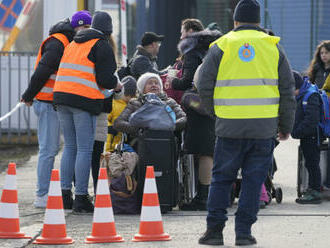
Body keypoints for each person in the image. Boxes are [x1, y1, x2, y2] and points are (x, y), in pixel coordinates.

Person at [197, 0, 296, 246]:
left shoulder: (221, 45)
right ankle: (243, 233)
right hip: (263, 128)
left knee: (221, 179)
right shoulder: (274, 47)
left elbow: (203, 84)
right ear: (258, 21)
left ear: (236, 21)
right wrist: (285, 126)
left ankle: (214, 232)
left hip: (229, 125)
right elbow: (287, 89)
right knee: (254, 180)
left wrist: (216, 113)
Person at [20, 11, 92, 208]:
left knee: (64, 148)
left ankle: (59, 193)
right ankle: (42, 195)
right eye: (84, 28)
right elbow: (43, 70)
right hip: (47, 101)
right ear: (76, 26)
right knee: (49, 150)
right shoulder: (59, 42)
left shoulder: (66, 41)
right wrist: (28, 95)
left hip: (58, 102)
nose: (86, 32)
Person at [53, 11, 120, 213]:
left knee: (70, 147)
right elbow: (105, 80)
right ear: (108, 31)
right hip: (82, 100)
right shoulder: (102, 45)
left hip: (61, 97)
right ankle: (81, 197)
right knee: (84, 149)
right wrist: (117, 86)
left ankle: (64, 195)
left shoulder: (74, 43)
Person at [167, 18, 221, 211]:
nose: (181, 36)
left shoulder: (191, 52)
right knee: (208, 150)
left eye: (182, 32)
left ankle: (200, 197)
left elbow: (188, 80)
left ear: (190, 31)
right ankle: (206, 194)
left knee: (200, 151)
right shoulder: (212, 49)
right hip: (215, 104)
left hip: (198, 106)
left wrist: (173, 82)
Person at [113, 72, 186, 135]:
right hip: (140, 143)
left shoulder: (170, 102)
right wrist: (140, 128)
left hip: (165, 141)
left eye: (156, 83)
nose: (154, 85)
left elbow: (184, 119)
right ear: (142, 88)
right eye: (150, 83)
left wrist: (168, 125)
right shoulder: (135, 103)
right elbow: (118, 123)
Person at [291, 71, 323, 204]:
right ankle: (312, 189)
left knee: (312, 163)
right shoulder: (304, 93)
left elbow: (311, 121)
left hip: (312, 136)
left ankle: (315, 191)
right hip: (307, 135)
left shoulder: (310, 95)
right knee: (310, 163)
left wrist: (297, 132)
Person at [106, 76, 137, 153]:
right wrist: (110, 127)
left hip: (125, 144)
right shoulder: (114, 103)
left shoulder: (133, 104)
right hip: (111, 143)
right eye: (126, 95)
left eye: (132, 96)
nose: (129, 98)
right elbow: (105, 119)